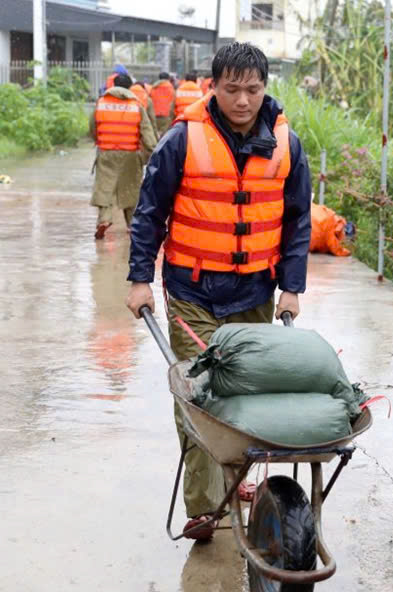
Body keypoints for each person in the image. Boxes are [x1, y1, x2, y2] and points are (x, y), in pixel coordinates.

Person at [124, 43, 312, 541]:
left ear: (265, 88)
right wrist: (139, 277)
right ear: (214, 87)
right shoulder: (181, 141)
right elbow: (149, 214)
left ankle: (235, 480)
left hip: (254, 292)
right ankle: (206, 506)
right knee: (200, 396)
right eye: (232, 89)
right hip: (193, 293)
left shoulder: (288, 146)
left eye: (253, 89)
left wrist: (291, 287)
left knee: (246, 392)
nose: (243, 100)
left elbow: (297, 222)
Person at [90, 73, 157, 240]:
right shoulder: (136, 105)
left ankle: (104, 219)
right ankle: (132, 224)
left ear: (113, 85)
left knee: (104, 187)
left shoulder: (101, 103)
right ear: (129, 87)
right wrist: (152, 153)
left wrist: (99, 140)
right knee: (131, 189)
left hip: (106, 152)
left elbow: (92, 127)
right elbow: (147, 133)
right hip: (130, 154)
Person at [149, 72, 176, 137]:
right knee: (164, 137)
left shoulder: (153, 87)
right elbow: (174, 102)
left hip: (154, 115)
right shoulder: (171, 88)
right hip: (166, 116)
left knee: (155, 135)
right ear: (168, 78)